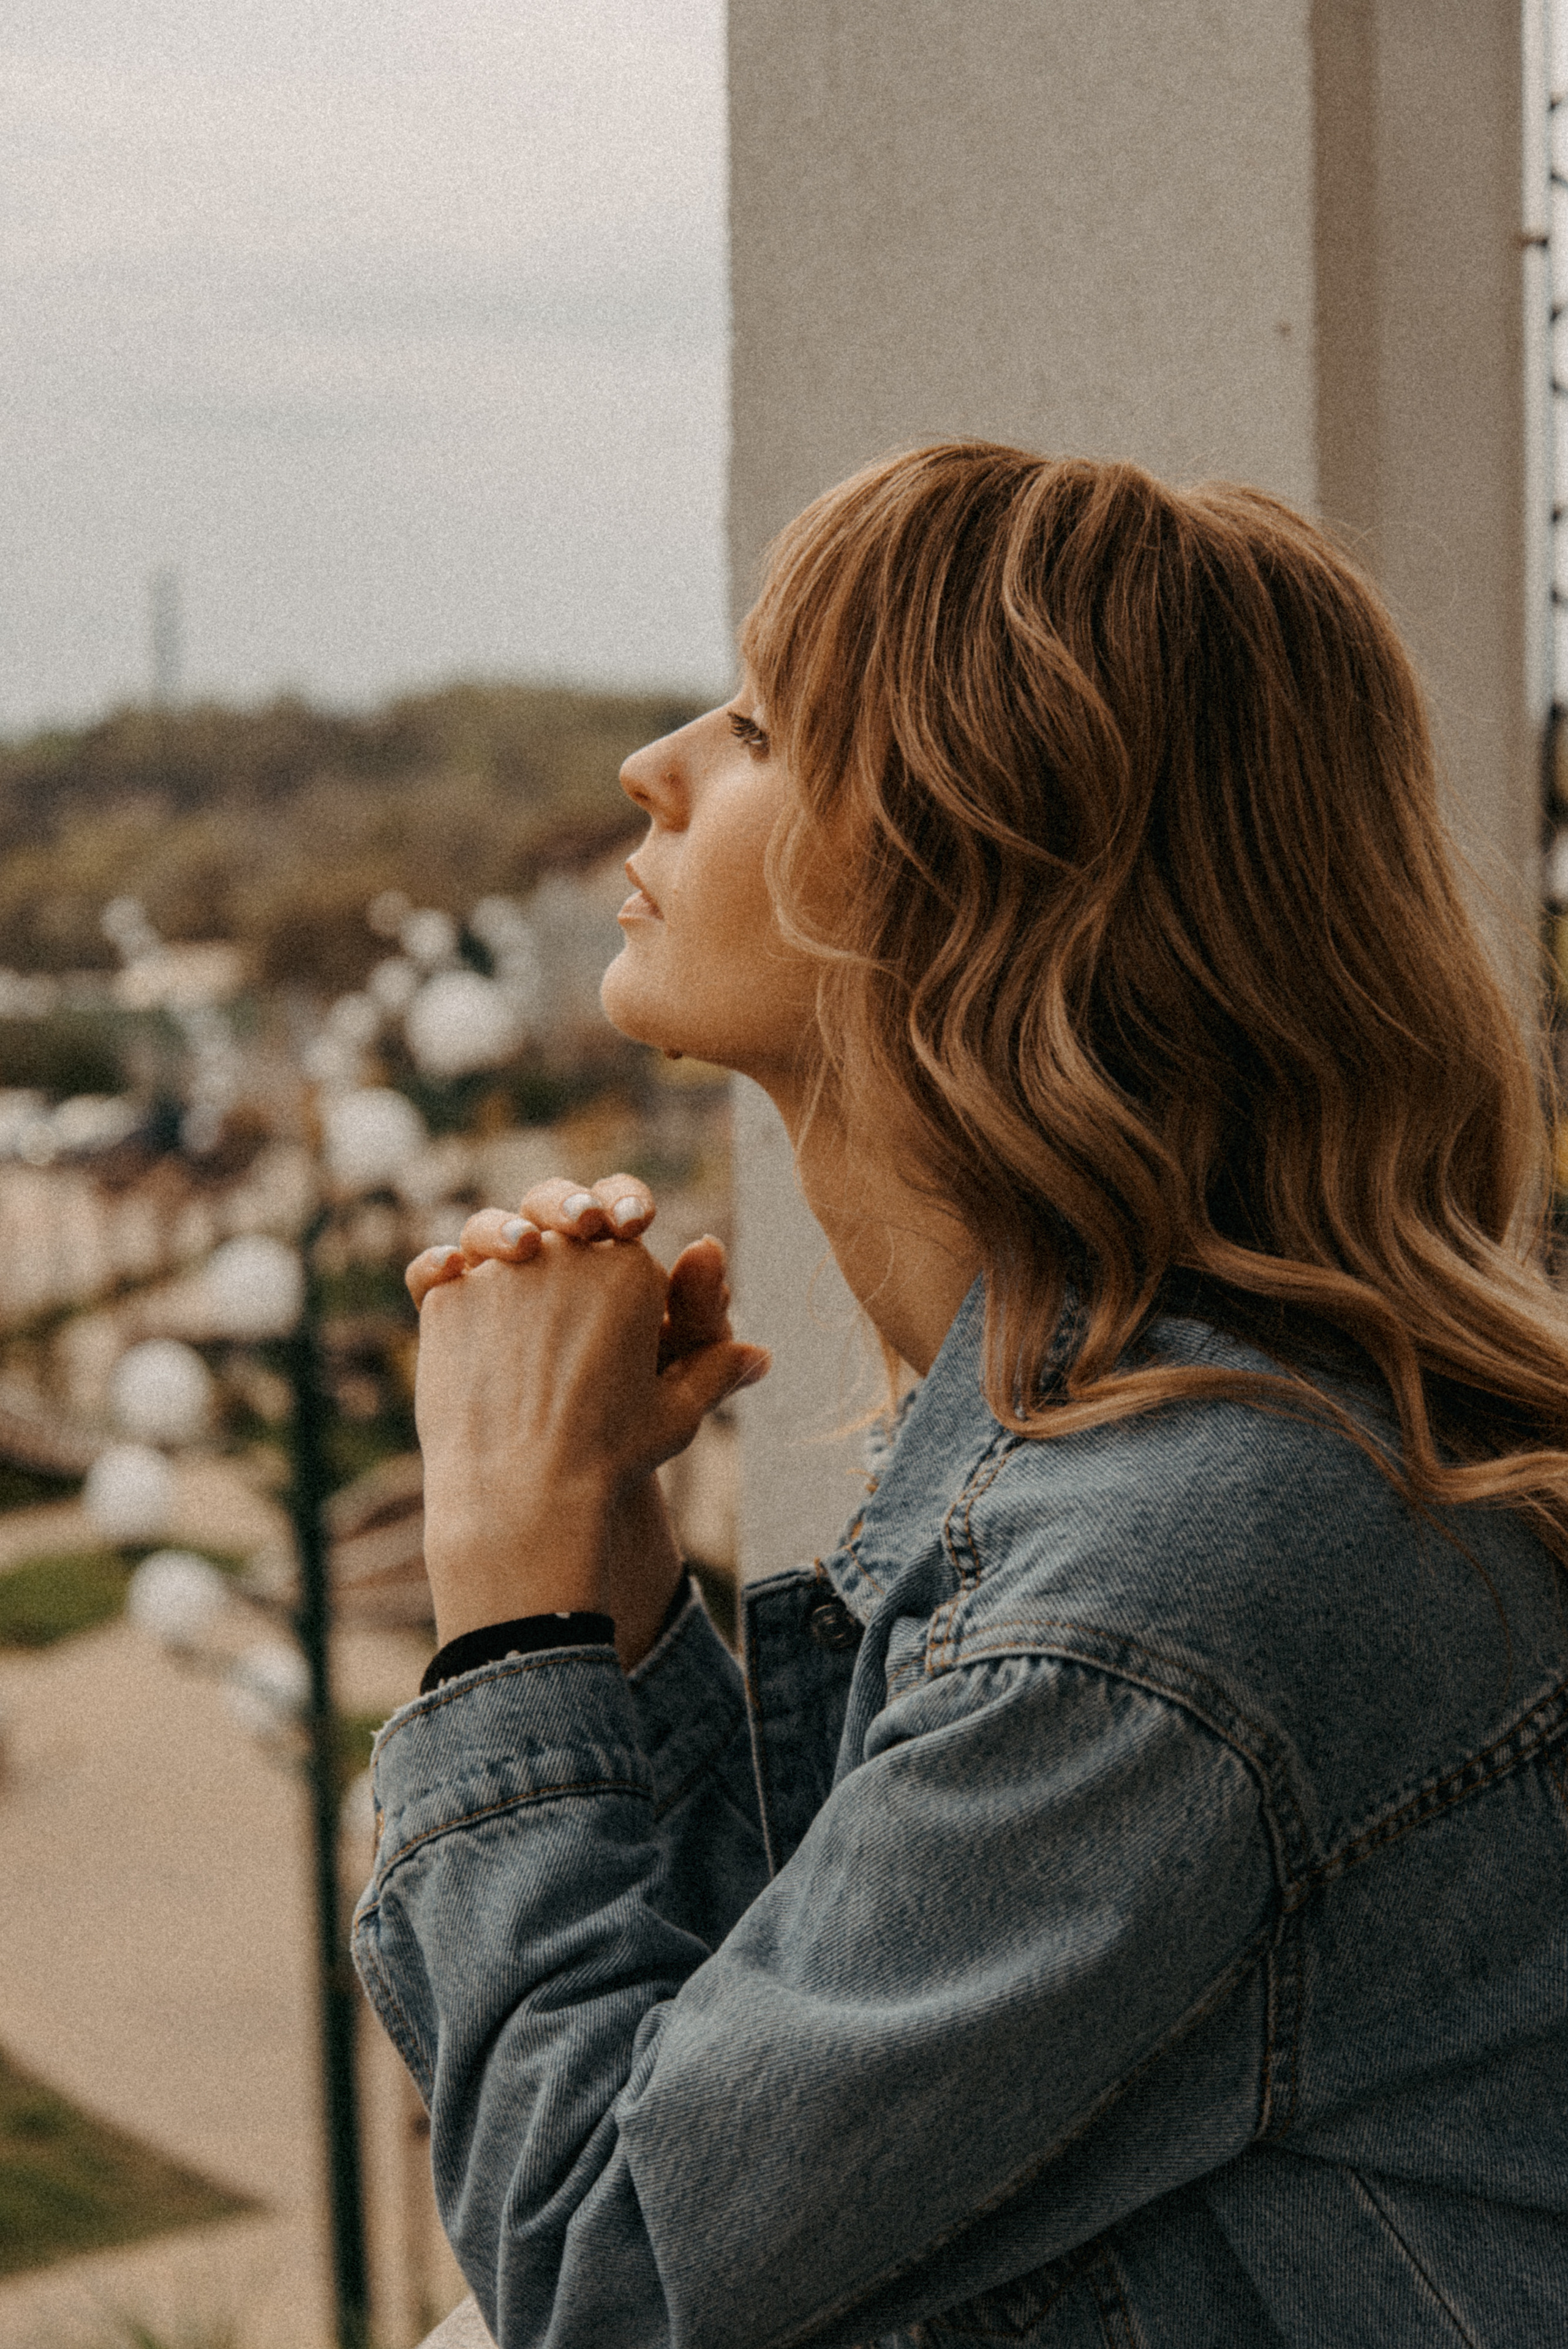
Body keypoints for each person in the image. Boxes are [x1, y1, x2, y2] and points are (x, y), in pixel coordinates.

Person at [355, 444, 1568, 2348]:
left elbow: (618, 2276)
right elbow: (786, 2102)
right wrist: (610, 1583)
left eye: (763, 724)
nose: (653, 766)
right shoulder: (1170, 1473)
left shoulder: (1176, 1577)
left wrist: (501, 1609)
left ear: (980, 880)